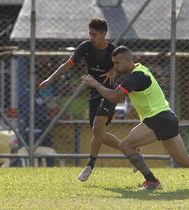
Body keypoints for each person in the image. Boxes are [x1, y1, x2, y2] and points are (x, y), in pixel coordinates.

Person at [81, 45, 189, 190]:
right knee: (183, 160)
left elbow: (116, 96)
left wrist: (96, 85)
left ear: (127, 61)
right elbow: (121, 95)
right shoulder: (139, 71)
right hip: (166, 118)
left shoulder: (136, 76)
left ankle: (152, 181)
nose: (114, 66)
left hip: (158, 119)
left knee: (126, 146)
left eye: (117, 63)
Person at [39, 17, 128, 181]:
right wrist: (50, 79)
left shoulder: (113, 51)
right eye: (89, 33)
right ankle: (129, 149)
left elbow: (127, 64)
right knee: (98, 133)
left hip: (109, 93)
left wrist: (115, 69)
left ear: (103, 35)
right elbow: (67, 65)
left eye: (94, 34)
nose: (91, 37)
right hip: (94, 93)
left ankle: (89, 165)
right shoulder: (85, 47)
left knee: (97, 125)